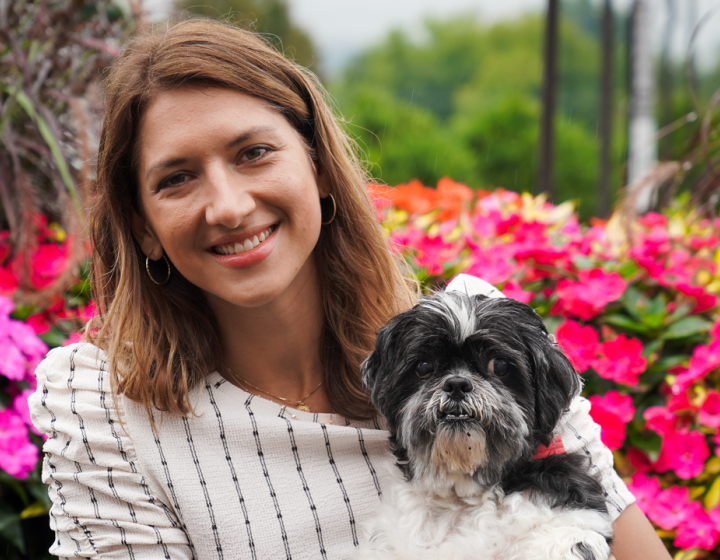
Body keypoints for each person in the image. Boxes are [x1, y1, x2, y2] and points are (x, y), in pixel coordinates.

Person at [29, 18, 670, 560]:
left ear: (320, 168)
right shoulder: (105, 415)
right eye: (176, 179)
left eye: (253, 153)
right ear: (143, 228)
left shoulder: (483, 334)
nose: (226, 206)